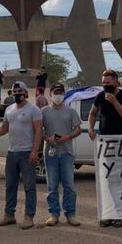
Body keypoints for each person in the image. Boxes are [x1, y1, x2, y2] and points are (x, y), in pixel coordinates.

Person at [0, 82, 42, 229]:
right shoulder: (9, 109)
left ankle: (29, 216)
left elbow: (39, 131)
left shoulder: (33, 109)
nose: (16, 93)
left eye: (19, 90)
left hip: (27, 153)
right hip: (12, 153)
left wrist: (35, 151)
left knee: (29, 186)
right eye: (14, 91)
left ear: (25, 92)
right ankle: (9, 215)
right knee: (10, 185)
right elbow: (4, 129)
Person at [88, 69, 122, 228]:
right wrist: (90, 128)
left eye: (108, 83)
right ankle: (108, 214)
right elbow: (93, 113)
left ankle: (120, 214)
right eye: (103, 83)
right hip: (105, 144)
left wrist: (115, 102)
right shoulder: (100, 96)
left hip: (121, 144)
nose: (105, 86)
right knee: (107, 180)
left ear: (116, 82)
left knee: (120, 180)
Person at [42, 83, 82, 227]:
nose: (58, 95)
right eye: (56, 92)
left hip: (67, 152)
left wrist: (67, 137)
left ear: (64, 94)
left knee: (69, 185)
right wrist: (47, 138)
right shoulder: (44, 111)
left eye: (61, 92)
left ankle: (70, 214)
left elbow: (78, 129)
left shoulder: (70, 112)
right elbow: (38, 129)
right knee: (52, 186)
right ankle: (53, 214)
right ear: (51, 94)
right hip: (50, 153)